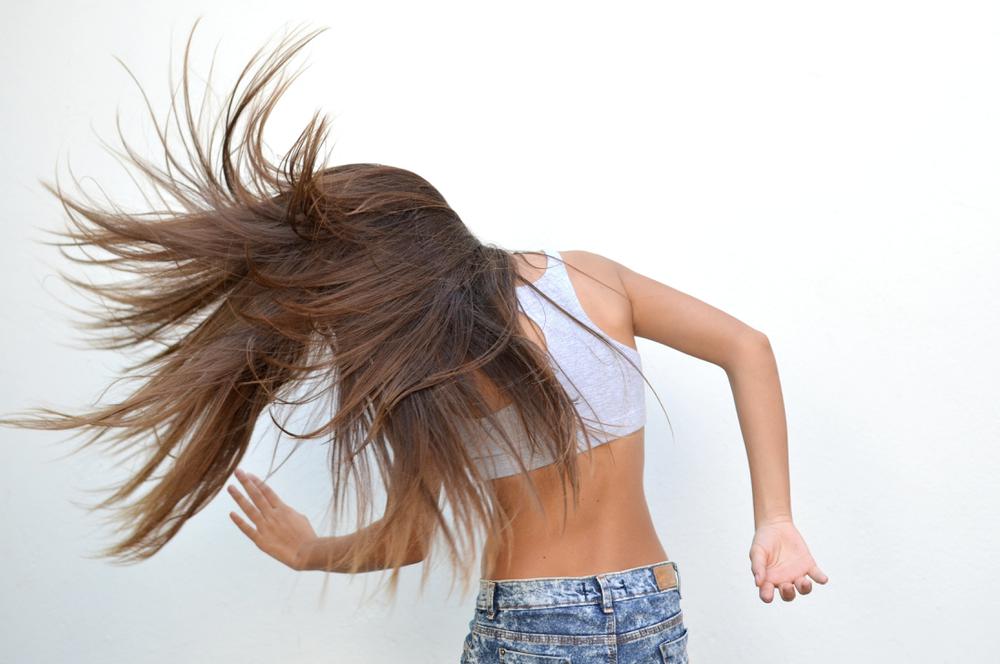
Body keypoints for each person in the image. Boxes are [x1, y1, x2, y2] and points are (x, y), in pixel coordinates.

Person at [0, 21, 827, 663]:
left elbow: (417, 537)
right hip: (653, 607)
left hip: (533, 627)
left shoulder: (436, 373)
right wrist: (777, 520)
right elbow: (747, 346)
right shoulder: (588, 278)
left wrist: (311, 552)